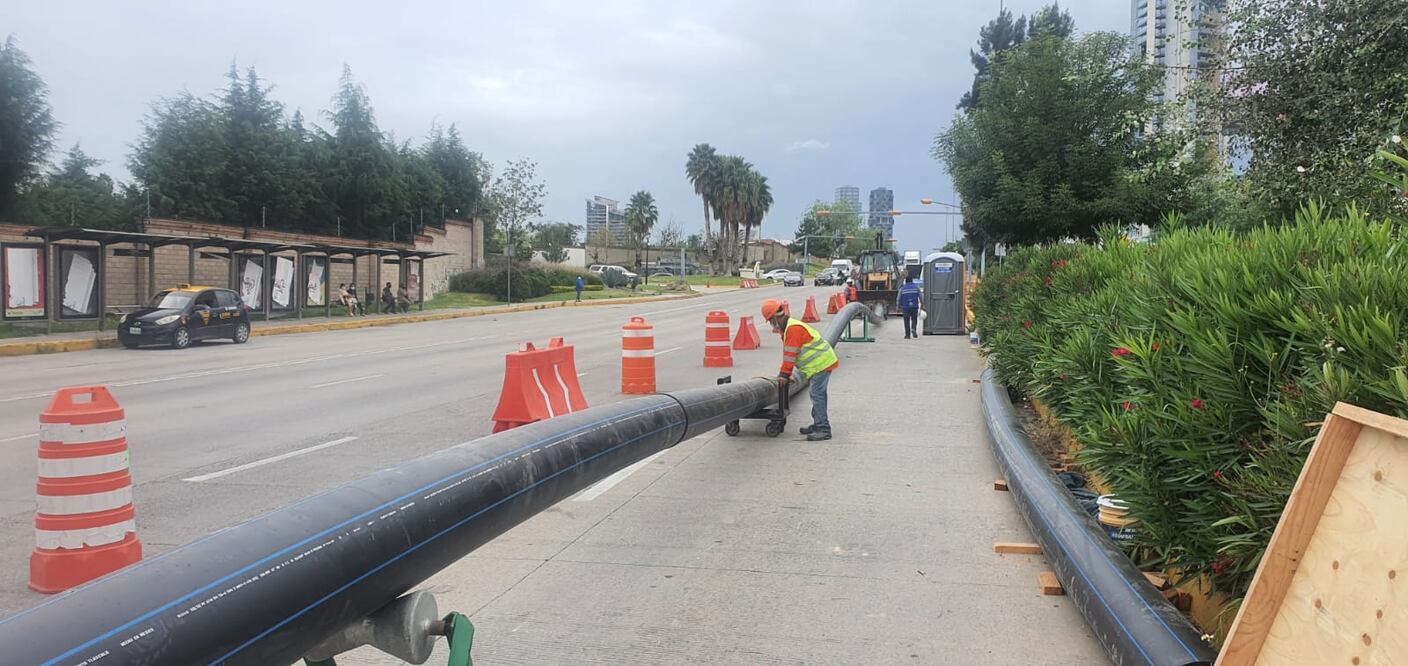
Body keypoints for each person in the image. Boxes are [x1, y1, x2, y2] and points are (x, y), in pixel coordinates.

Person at [763, 298, 840, 441]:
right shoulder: (788, 327)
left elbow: (790, 355)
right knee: (817, 394)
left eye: (770, 321)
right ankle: (818, 424)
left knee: (817, 395)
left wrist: (784, 375)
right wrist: (788, 373)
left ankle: (823, 428)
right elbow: (794, 354)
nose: (772, 325)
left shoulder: (792, 329)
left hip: (821, 364)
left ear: (774, 318)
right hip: (818, 365)